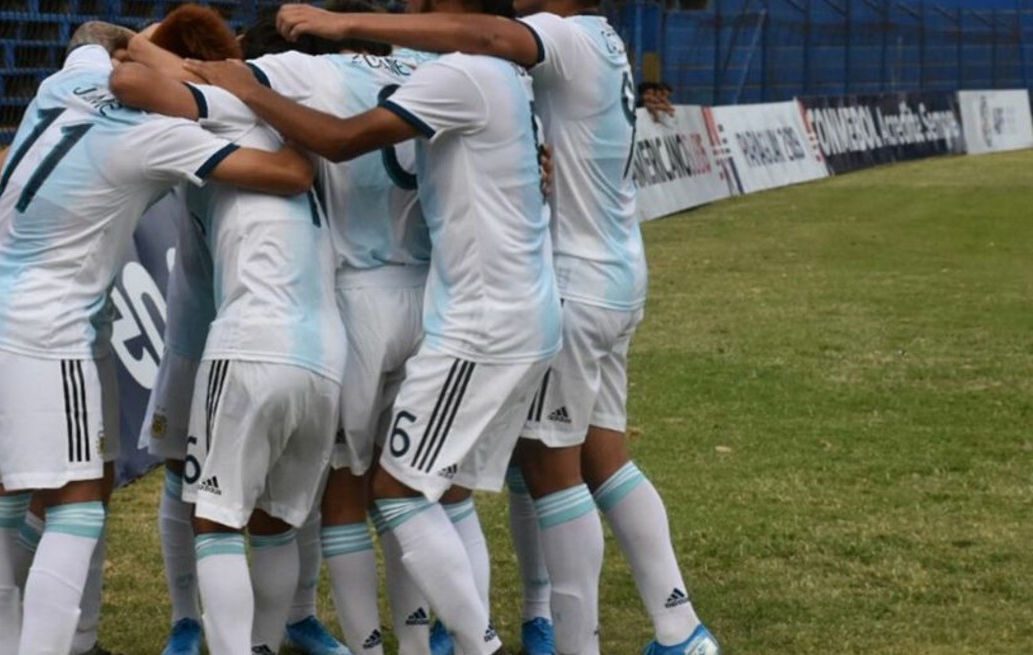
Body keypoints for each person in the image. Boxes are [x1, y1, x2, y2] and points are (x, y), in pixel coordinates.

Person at [275, 4, 719, 655]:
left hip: (562, 279)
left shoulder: (555, 38)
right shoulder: (597, 41)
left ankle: (573, 638)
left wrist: (344, 26)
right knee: (599, 457)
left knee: (542, 470)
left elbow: (482, 35)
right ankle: (675, 622)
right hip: (611, 270)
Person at [185, 0, 560, 650]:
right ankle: (426, 641)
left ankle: (384, 643)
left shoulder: (312, 69)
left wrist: (234, 76)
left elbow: (323, 133)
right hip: (431, 291)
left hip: (365, 299)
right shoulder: (445, 68)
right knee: (441, 493)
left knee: (356, 490)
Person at [0, 20, 313, 655]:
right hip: (46, 329)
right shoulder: (160, 135)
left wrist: (149, 37)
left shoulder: (71, 78)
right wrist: (285, 116)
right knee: (78, 506)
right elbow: (289, 175)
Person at [122, 9, 352, 655]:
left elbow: (131, 71)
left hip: (248, 332)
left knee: (215, 517)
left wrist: (169, 37)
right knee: (276, 520)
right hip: (323, 346)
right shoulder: (309, 120)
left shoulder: (212, 107)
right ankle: (244, 635)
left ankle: (210, 630)